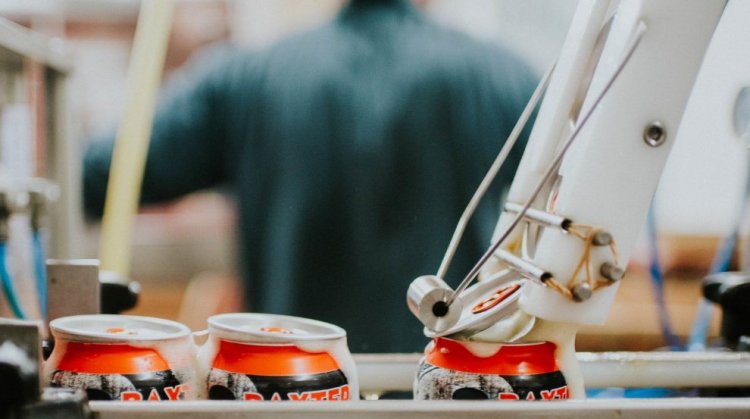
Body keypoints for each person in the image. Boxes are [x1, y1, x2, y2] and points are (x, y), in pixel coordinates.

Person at [83, 0, 537, 354]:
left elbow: (101, 173)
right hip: (447, 398)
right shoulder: (503, 77)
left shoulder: (246, 77)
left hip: (298, 400)